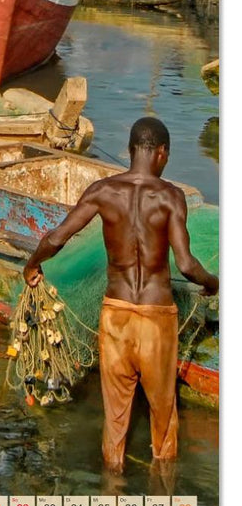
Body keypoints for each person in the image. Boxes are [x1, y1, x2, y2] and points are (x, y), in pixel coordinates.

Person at [23, 117, 218, 474]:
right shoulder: (170, 196)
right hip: (156, 317)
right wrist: (213, 283)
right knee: (163, 415)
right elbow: (188, 265)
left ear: (130, 151)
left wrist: (32, 265)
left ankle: (110, 505)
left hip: (115, 313)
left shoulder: (103, 191)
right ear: (162, 153)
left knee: (115, 417)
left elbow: (55, 237)